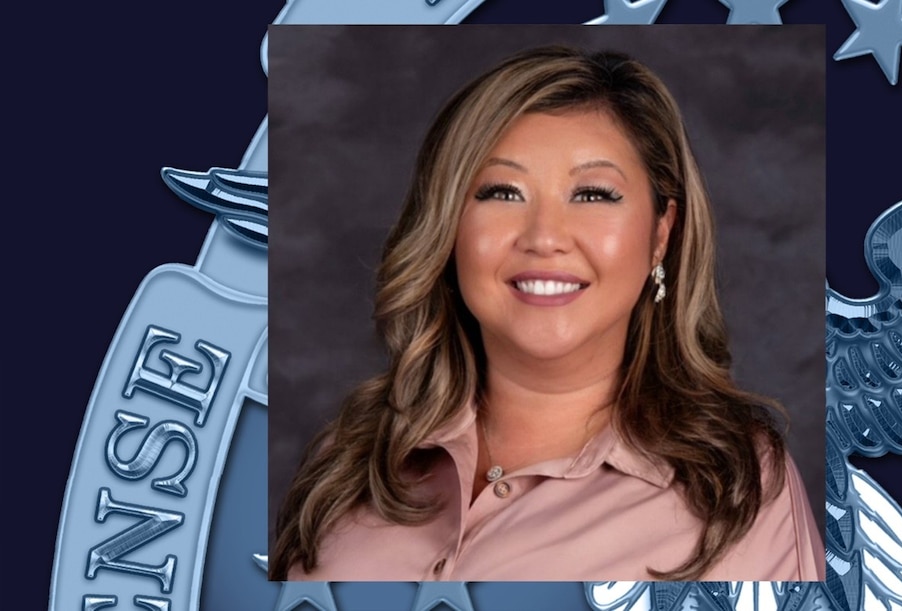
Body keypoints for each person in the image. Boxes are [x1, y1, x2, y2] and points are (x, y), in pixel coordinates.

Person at [271, 45, 824, 581]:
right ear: (449, 228)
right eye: (502, 192)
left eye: (594, 195)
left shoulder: (739, 486)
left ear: (661, 233)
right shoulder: (347, 461)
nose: (544, 238)